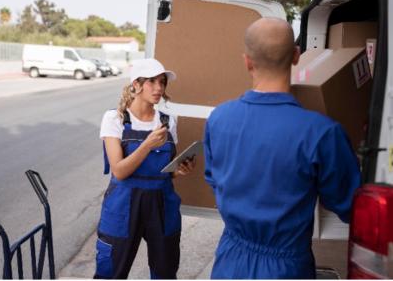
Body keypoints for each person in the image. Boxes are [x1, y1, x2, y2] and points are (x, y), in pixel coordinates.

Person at [203, 17, 361, 279]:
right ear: (297, 56)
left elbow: (215, 179)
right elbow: (350, 206)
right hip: (285, 268)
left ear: (247, 61)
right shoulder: (322, 132)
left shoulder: (218, 118)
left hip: (229, 261)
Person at [95, 58, 194, 279]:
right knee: (111, 271)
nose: (159, 88)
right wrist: (147, 144)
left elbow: (164, 172)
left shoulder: (169, 121)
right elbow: (119, 171)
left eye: (162, 82)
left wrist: (179, 170)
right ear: (136, 85)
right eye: (152, 82)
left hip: (162, 204)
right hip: (123, 204)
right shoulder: (115, 119)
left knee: (165, 271)